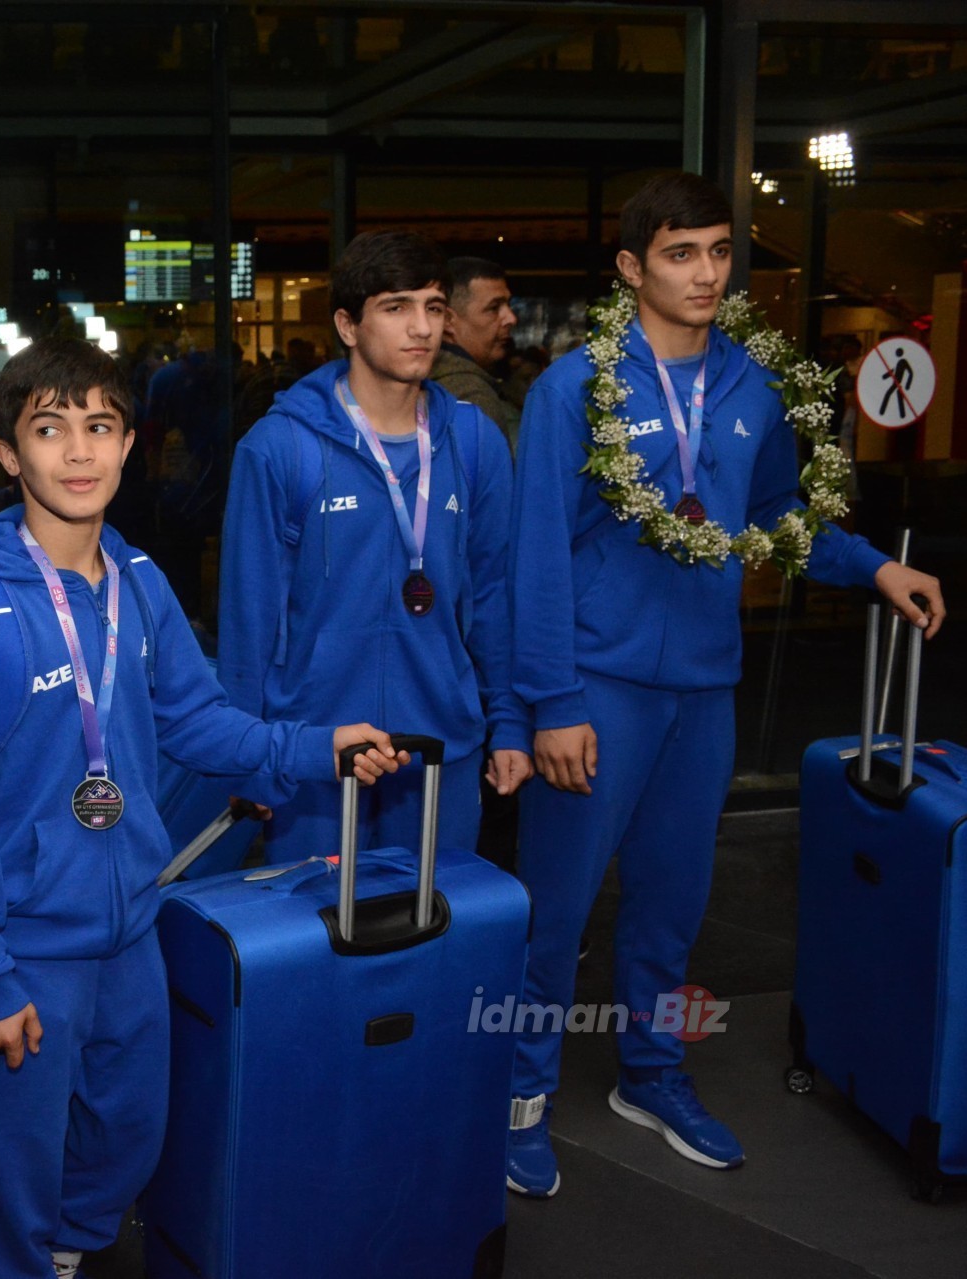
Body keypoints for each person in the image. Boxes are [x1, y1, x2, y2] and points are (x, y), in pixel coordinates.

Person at [0, 336, 402, 1279]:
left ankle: (70, 1250)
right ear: (8, 455)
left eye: (100, 427)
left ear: (130, 445)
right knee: (10, 1167)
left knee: (130, 1132)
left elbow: (199, 721)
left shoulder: (140, 585)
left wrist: (310, 746)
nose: (79, 452)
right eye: (50, 430)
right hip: (22, 941)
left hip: (130, 924)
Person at [505, 172, 946, 1199]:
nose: (703, 272)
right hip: (597, 686)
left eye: (716, 251)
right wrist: (553, 702)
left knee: (672, 899)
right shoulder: (576, 389)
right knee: (557, 909)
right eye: (678, 253)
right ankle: (517, 1097)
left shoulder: (752, 383)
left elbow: (787, 514)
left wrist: (874, 566)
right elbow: (535, 559)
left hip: (703, 686)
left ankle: (649, 1073)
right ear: (630, 268)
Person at [219, 231, 530, 867]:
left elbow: (495, 592)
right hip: (317, 751)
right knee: (318, 947)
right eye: (396, 307)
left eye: (434, 307)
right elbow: (249, 621)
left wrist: (509, 720)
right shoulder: (280, 448)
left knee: (436, 944)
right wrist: (250, 759)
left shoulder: (472, 442)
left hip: (442, 744)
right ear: (348, 324)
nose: (421, 328)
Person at [429, 256, 523, 448]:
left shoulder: (433, 380)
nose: (511, 318)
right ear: (447, 320)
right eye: (494, 308)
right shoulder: (471, 397)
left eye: (508, 305)